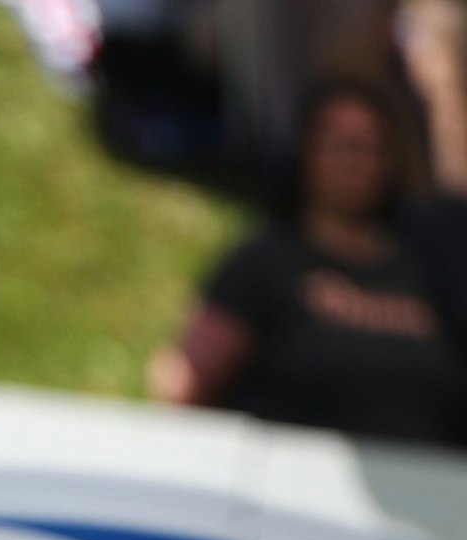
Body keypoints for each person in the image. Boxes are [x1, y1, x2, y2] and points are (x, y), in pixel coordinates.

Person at [149, 75, 467, 446]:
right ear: (306, 152)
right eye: (345, 147)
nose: (362, 163)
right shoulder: (265, 263)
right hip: (287, 485)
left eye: (377, 149)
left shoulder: (433, 265)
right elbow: (184, 385)